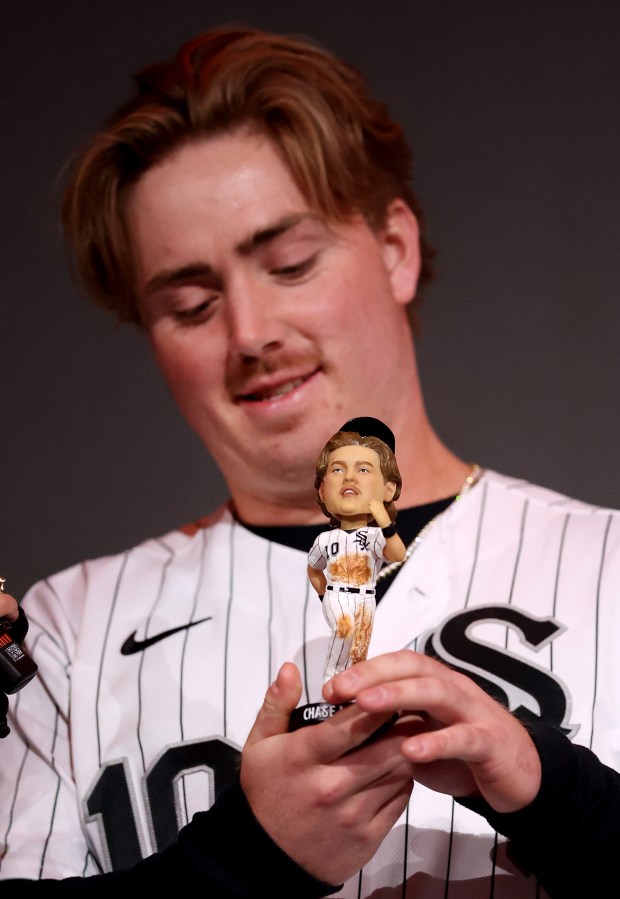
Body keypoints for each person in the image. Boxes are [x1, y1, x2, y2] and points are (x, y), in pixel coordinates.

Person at [2, 24, 620, 898]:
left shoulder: (611, 565)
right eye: (190, 303)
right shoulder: (67, 634)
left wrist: (561, 798)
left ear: (395, 248)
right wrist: (245, 861)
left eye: (290, 264)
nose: (250, 334)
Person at [308, 418, 407, 681]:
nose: (349, 477)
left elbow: (398, 554)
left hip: (366, 596)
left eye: (363, 470)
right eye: (338, 470)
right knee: (344, 628)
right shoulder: (325, 540)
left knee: (359, 651)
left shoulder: (376, 535)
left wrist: (384, 520)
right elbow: (314, 569)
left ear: (389, 489)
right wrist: (324, 597)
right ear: (322, 489)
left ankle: (350, 695)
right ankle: (331, 681)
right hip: (338, 592)